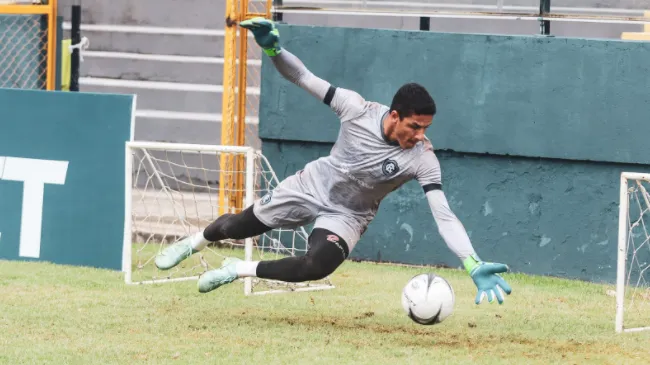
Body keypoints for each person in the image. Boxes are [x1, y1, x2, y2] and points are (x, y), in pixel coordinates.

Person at [154, 18, 512, 305]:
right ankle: (195, 241)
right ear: (394, 116)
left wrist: (471, 261)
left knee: (318, 266)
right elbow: (302, 77)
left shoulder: (423, 159)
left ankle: (240, 269)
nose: (420, 135)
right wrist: (274, 49)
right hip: (311, 186)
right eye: (415, 127)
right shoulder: (355, 109)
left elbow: (444, 215)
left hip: (348, 214)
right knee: (235, 228)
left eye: (425, 129)